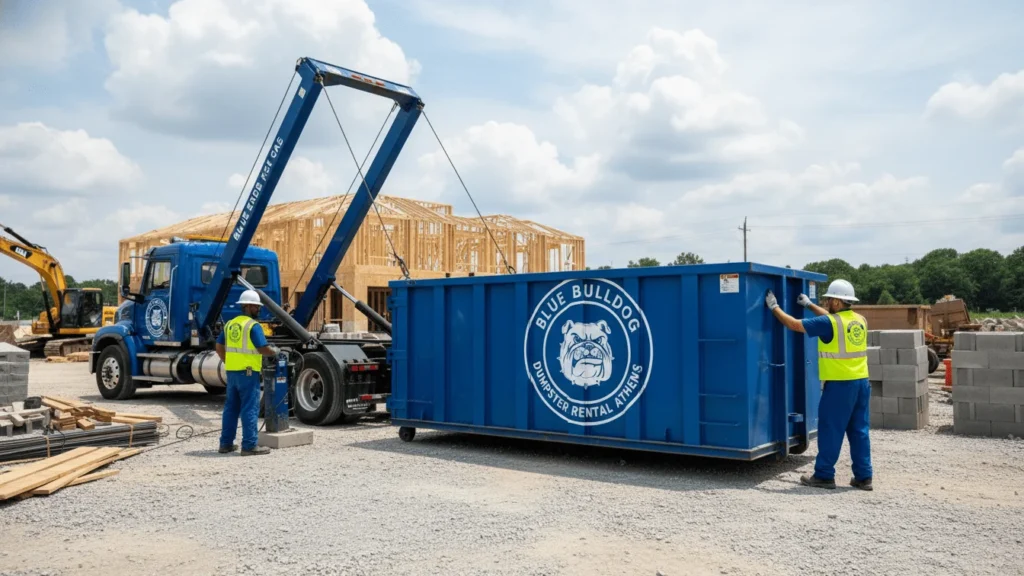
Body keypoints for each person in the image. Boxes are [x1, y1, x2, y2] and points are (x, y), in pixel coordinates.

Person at [765, 279, 873, 491]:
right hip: (861, 383)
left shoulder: (830, 323)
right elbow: (831, 320)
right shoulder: (859, 320)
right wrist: (809, 305)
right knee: (859, 430)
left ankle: (824, 475)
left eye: (830, 300)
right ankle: (864, 476)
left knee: (831, 429)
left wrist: (774, 307)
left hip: (840, 385)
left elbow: (794, 324)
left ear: (839, 302)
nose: (828, 302)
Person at [215, 290, 279, 456]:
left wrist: (227, 361)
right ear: (249, 306)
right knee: (250, 407)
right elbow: (262, 348)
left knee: (231, 408)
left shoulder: (230, 324)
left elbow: (218, 346)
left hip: (232, 372)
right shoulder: (253, 326)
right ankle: (250, 446)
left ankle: (226, 444)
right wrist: (274, 352)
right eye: (257, 307)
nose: (259, 310)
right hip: (248, 373)